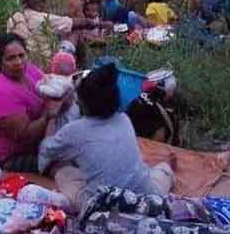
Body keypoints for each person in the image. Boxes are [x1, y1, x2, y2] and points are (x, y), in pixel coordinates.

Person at [38, 63, 175, 211]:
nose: (76, 101)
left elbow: (46, 150)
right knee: (161, 170)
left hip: (104, 209)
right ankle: (167, 169)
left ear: (84, 103)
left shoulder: (75, 131)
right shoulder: (124, 119)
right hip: (145, 201)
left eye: (79, 98)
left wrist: (51, 116)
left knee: (63, 171)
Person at [0, 33, 64, 172]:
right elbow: (25, 135)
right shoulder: (0, 91)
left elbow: (48, 86)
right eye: (11, 58)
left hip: (39, 133)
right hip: (10, 155)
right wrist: (49, 115)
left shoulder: (27, 69)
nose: (18, 62)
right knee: (63, 164)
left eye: (21, 55)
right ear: (0, 62)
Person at [7, 0, 110, 67]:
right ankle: (83, 67)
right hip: (47, 62)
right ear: (39, 4)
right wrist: (101, 24)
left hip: (26, 61)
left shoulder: (15, 18)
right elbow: (79, 23)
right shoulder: (41, 18)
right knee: (75, 30)